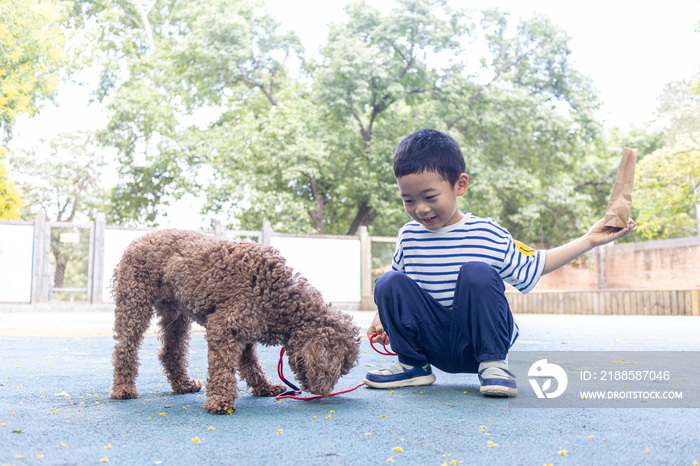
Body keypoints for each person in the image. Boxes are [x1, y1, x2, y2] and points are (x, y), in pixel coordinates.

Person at [363, 129, 636, 397]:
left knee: (476, 272)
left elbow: (537, 264)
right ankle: (413, 365)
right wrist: (381, 318)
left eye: (430, 197)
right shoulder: (409, 236)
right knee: (387, 281)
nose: (420, 208)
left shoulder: (486, 232)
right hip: (431, 342)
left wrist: (588, 240)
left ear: (460, 185)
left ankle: (494, 365)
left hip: (476, 344)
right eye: (408, 200)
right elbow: (396, 289)